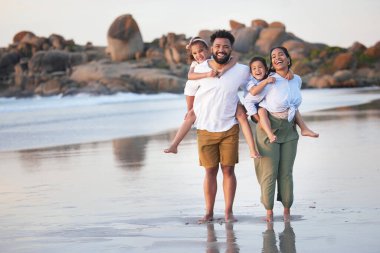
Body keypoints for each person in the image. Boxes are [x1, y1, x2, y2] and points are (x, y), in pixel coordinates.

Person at [184, 30, 253, 223]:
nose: (221, 49)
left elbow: (253, 86)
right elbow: (189, 88)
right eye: (217, 46)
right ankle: (208, 212)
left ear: (231, 49)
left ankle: (229, 212)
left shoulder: (241, 70)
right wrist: (189, 110)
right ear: (211, 48)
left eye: (225, 47)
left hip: (229, 127)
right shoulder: (200, 68)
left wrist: (247, 107)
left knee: (229, 170)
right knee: (209, 172)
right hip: (205, 128)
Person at [164, 37, 261, 159]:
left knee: (241, 115)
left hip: (227, 99)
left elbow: (234, 59)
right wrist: (190, 108)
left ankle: (252, 150)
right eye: (194, 53)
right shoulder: (196, 65)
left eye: (201, 51)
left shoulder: (215, 60)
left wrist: (224, 69)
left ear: (209, 50)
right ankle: (174, 145)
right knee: (190, 116)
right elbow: (190, 84)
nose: (198, 55)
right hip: (204, 102)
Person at [253, 46, 308, 222]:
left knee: (286, 172)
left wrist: (301, 126)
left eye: (280, 55)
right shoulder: (269, 80)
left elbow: (294, 105)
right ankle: (268, 212)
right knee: (269, 172)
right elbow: (250, 100)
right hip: (269, 129)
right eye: (273, 56)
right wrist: (259, 119)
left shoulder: (297, 79)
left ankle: (286, 212)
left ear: (288, 59)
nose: (277, 58)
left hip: (289, 129)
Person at [244, 57, 319, 143]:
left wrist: (290, 72)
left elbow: (283, 72)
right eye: (254, 68)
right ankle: (270, 134)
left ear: (266, 69)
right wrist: (266, 81)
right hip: (253, 104)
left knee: (293, 106)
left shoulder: (270, 75)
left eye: (260, 67)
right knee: (262, 113)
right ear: (251, 72)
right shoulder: (250, 81)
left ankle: (304, 128)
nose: (257, 70)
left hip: (265, 101)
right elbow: (253, 92)